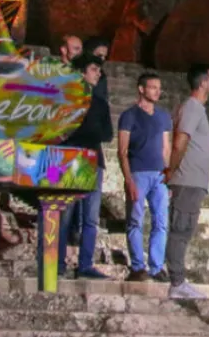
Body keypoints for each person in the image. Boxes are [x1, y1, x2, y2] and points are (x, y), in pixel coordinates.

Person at [163, 65, 209, 299]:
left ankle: (178, 281)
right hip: (186, 180)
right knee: (180, 229)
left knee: (184, 230)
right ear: (203, 82)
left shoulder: (197, 109)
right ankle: (177, 282)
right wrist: (171, 171)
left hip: (194, 182)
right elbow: (180, 141)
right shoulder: (192, 108)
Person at [58, 55, 113, 279]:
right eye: (93, 69)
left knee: (91, 217)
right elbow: (62, 130)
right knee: (65, 214)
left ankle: (85, 264)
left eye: (99, 70)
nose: (97, 73)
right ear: (81, 72)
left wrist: (86, 132)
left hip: (94, 160)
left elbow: (107, 134)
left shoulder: (100, 102)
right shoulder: (68, 99)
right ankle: (58, 262)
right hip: (72, 159)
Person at [118, 72, 171, 282]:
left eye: (159, 88)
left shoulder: (164, 116)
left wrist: (169, 174)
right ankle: (137, 266)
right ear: (141, 89)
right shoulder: (129, 116)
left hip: (159, 175)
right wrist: (128, 178)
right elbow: (122, 150)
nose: (157, 91)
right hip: (138, 173)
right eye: (153, 87)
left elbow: (166, 148)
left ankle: (156, 267)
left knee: (161, 221)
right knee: (135, 220)